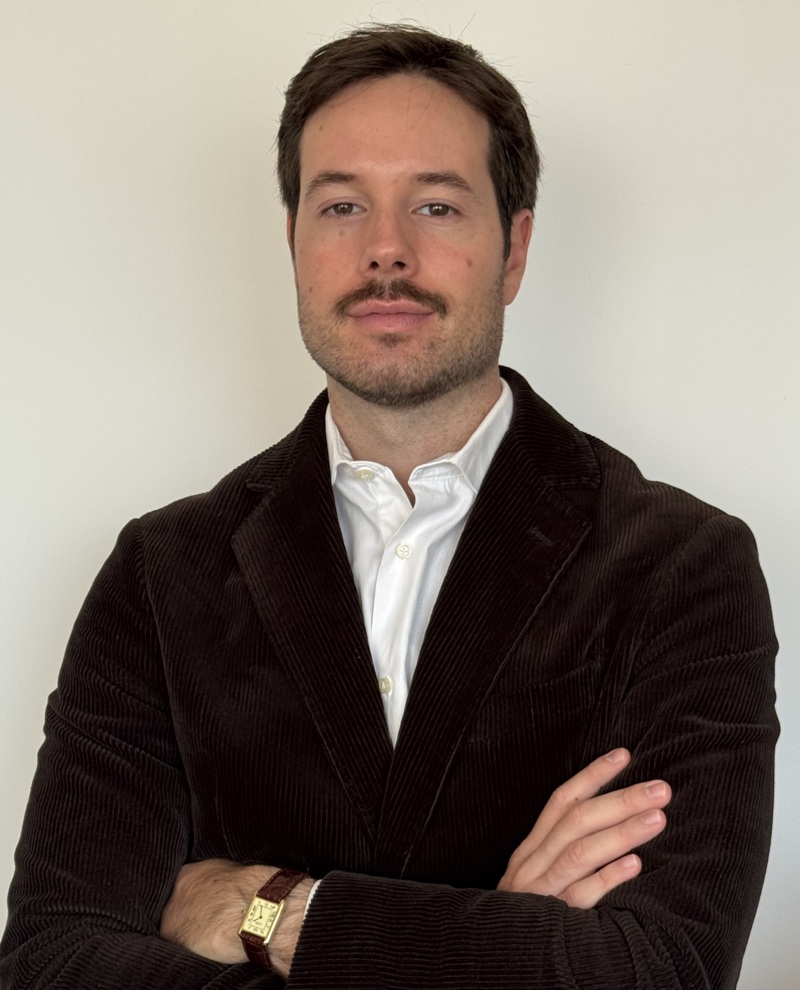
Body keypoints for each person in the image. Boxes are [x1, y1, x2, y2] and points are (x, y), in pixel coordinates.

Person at [1, 23, 777, 990]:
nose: (385, 251)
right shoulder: (161, 575)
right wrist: (502, 937)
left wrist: (271, 909)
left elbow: (664, 969)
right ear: (293, 243)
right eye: (341, 206)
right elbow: (52, 963)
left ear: (515, 249)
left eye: (436, 206)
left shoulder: (681, 567)